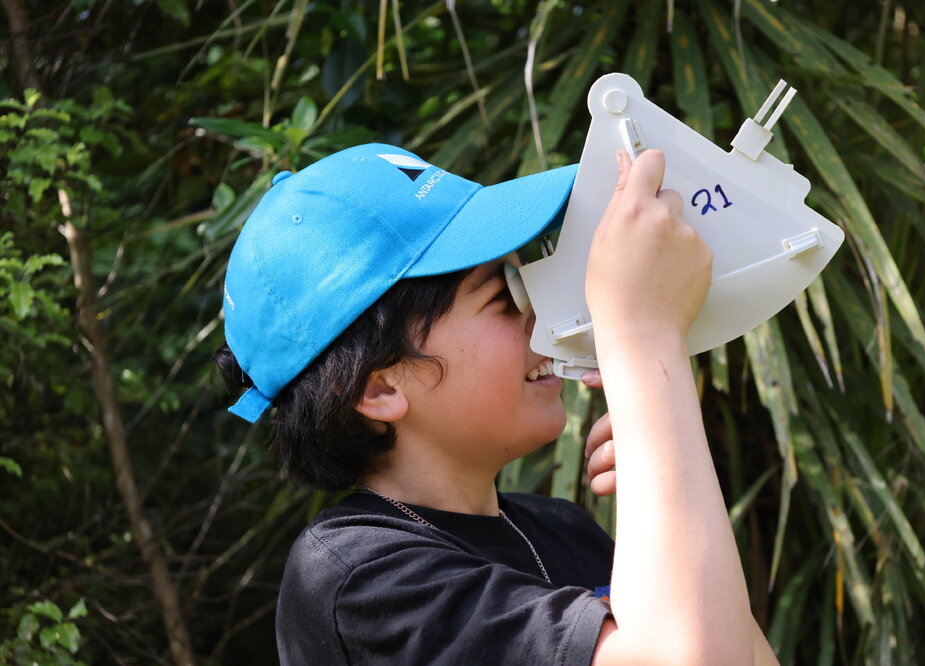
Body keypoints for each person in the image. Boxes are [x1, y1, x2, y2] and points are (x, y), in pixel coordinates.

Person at [215, 142, 778, 664]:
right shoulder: (361, 579)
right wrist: (644, 337)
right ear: (380, 388)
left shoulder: (563, 528)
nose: (545, 316)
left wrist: (665, 476)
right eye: (506, 297)